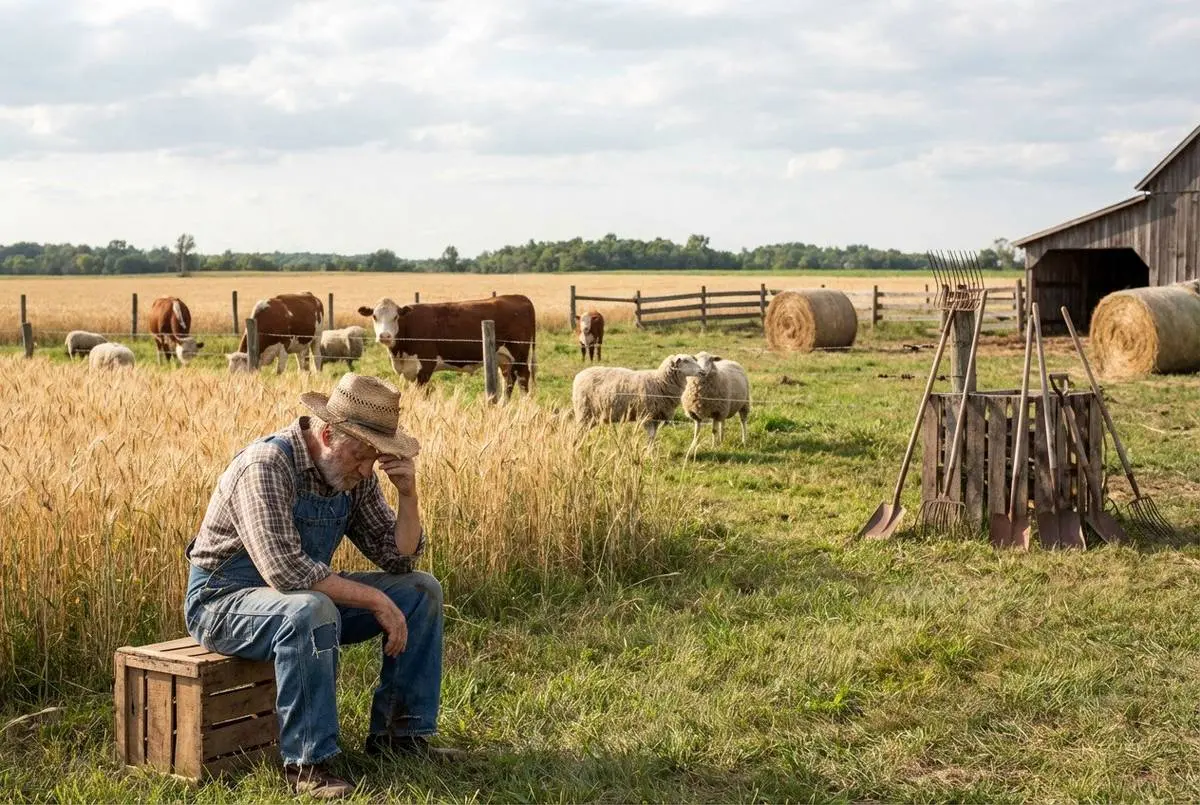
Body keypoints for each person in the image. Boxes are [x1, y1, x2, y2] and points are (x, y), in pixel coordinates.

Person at [183, 373, 462, 798]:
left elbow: (398, 557)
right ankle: (309, 766)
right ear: (329, 433)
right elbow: (286, 572)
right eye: (361, 455)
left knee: (420, 592)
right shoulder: (266, 465)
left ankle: (400, 739)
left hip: (300, 599)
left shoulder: (354, 476)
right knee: (311, 609)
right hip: (222, 602)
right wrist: (375, 601)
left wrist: (409, 495)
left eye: (375, 458)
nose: (367, 468)